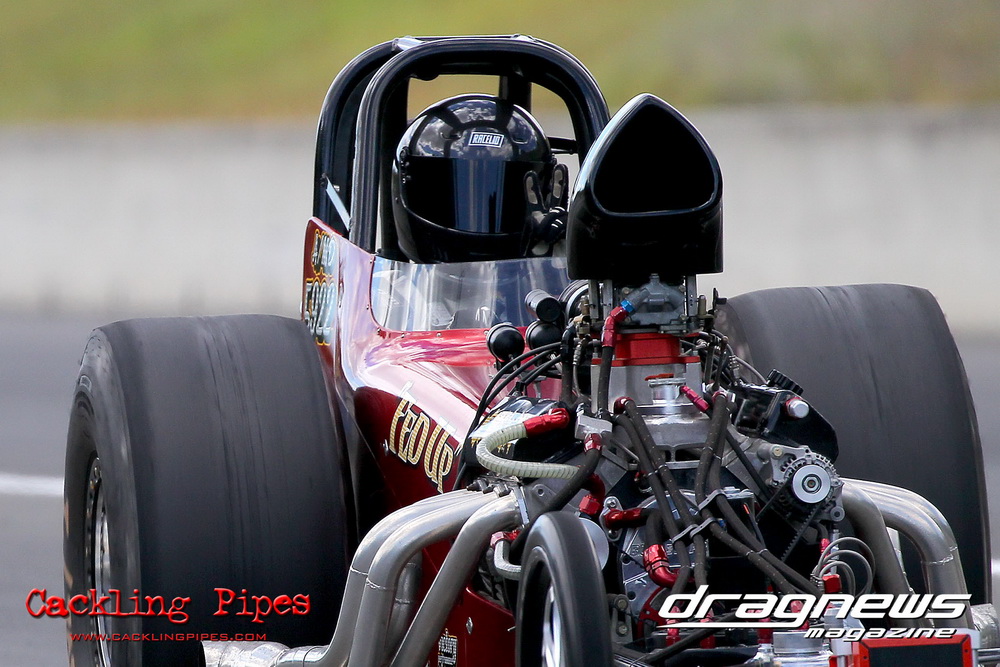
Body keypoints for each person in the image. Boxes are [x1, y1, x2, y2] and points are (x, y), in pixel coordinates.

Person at [391, 94, 568, 264]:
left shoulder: (547, 279)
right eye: (457, 195)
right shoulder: (387, 284)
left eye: (508, 195)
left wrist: (557, 268)